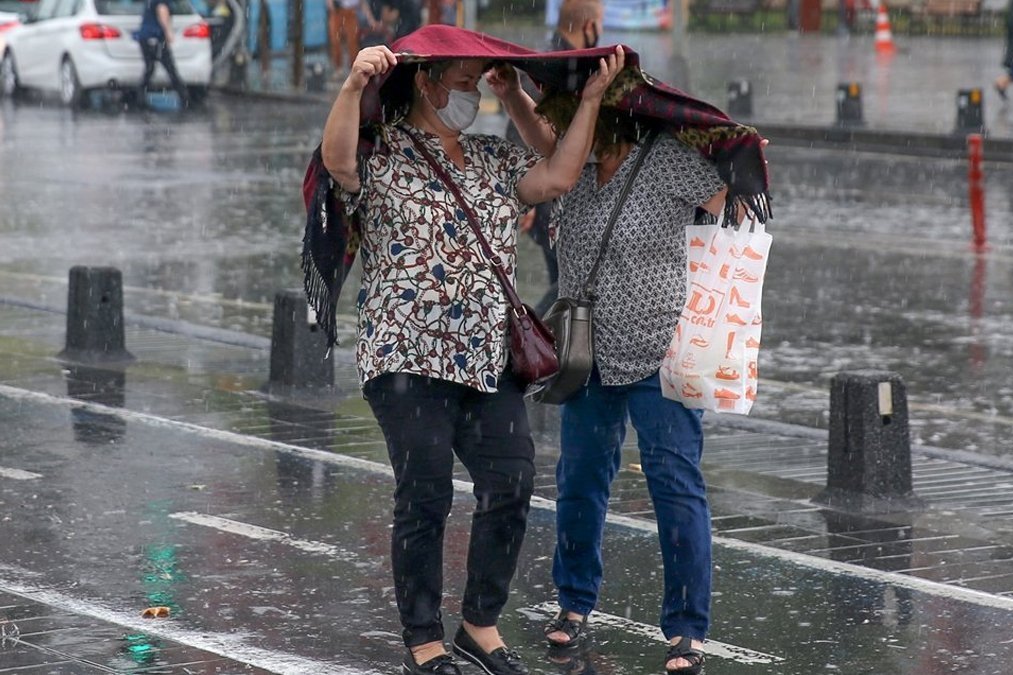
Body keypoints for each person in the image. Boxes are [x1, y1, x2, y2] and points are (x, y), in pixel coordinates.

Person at [317, 28, 624, 675]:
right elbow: (338, 162)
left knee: (512, 482)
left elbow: (561, 171)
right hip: (405, 355)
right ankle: (424, 638)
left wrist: (570, 97)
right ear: (426, 83)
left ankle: (478, 624)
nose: (471, 95)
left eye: (478, 84)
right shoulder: (384, 150)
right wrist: (352, 84)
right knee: (426, 492)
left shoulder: (492, 157)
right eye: (463, 83)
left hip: (487, 358)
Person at [502, 73, 765, 675]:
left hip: (661, 348)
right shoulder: (574, 164)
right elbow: (542, 142)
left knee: (673, 482)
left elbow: (735, 206)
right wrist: (512, 93)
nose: (565, 128)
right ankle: (574, 602)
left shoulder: (666, 160)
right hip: (586, 351)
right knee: (579, 479)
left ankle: (687, 629)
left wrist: (739, 157)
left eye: (574, 116)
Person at [505, 0, 605, 315]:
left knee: (566, 283)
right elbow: (519, 129)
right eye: (600, 24)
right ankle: (531, 330)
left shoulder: (553, 61)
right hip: (551, 200)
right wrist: (530, 200)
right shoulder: (560, 67)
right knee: (570, 284)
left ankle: (545, 335)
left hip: (554, 198)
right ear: (589, 25)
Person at [133, 0, 190, 108]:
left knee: (151, 68)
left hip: (148, 37)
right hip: (155, 37)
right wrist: (168, 32)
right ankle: (184, 97)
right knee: (168, 67)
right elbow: (162, 11)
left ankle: (139, 96)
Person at [326, 0, 361, 75]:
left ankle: (353, 66)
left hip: (350, 10)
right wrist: (331, 5)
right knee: (335, 40)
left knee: (352, 41)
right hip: (337, 11)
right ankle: (338, 67)